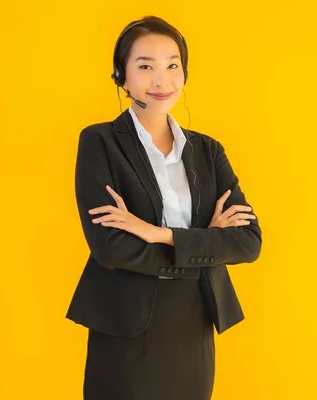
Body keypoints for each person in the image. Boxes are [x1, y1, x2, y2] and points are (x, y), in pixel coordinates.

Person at [65, 15, 263, 400]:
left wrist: (158, 234)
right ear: (121, 76)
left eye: (173, 65)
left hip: (193, 325)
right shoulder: (100, 142)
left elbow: (247, 242)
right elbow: (111, 247)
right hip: (125, 326)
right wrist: (204, 241)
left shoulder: (208, 151)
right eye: (145, 67)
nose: (161, 80)